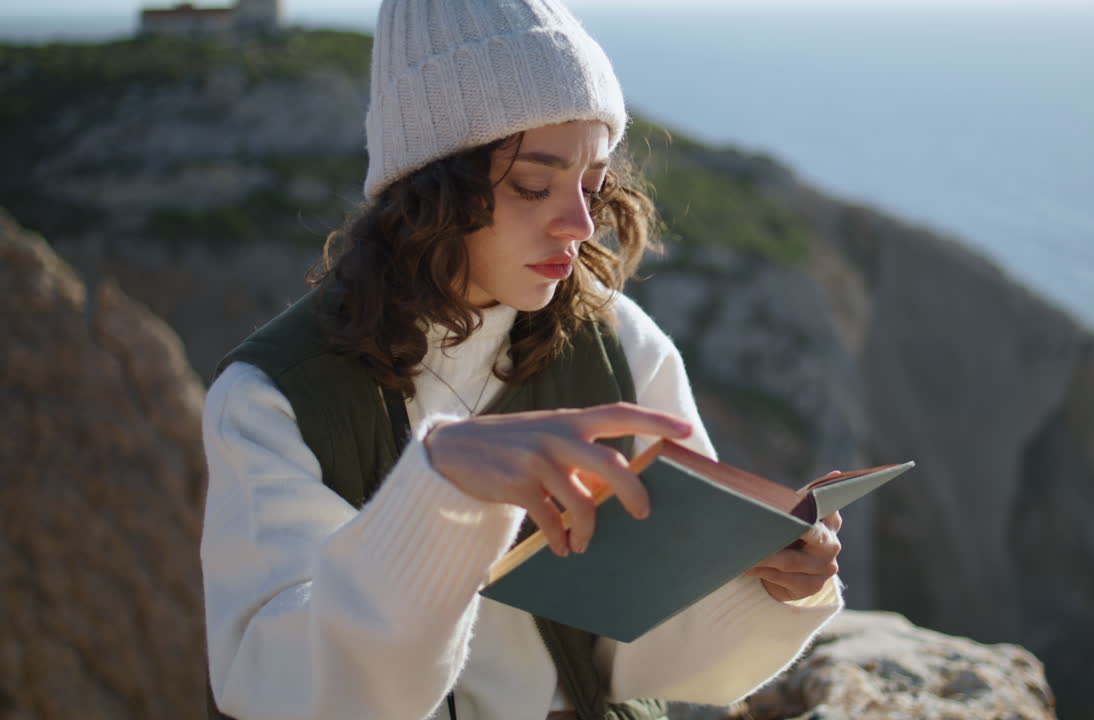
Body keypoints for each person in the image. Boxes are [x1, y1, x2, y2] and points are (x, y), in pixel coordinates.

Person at [200, 1, 845, 718]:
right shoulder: (271, 398)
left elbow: (646, 649)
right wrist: (437, 493)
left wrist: (774, 582)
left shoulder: (620, 342)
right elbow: (276, 685)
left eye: (592, 186)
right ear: (427, 193)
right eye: (533, 186)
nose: (577, 224)